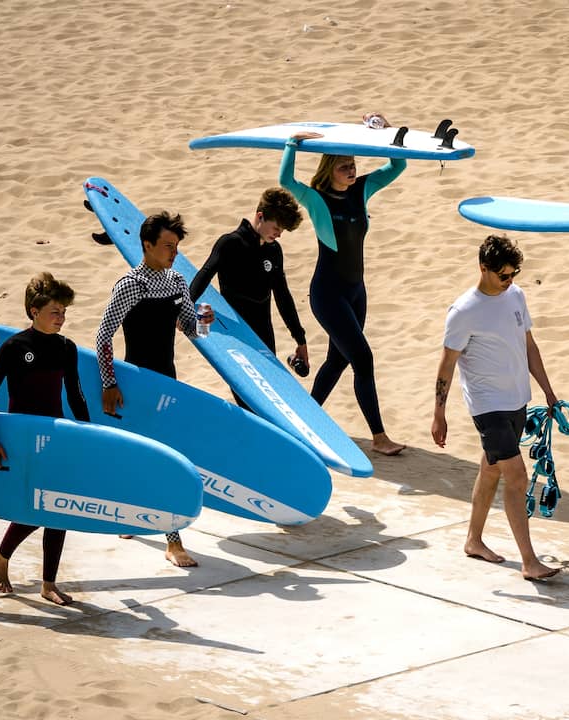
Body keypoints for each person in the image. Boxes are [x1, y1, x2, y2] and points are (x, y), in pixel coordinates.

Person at [431, 234, 564, 581]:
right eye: (503, 275)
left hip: (517, 400)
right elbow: (447, 365)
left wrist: (548, 391)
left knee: (491, 469)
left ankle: (473, 540)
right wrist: (439, 413)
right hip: (487, 407)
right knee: (517, 478)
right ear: (483, 268)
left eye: (514, 274)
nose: (510, 281)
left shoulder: (516, 296)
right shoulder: (464, 311)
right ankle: (529, 562)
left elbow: (529, 347)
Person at [278, 112, 406, 456]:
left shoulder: (361, 189)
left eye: (352, 164)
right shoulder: (317, 199)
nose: (351, 170)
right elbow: (286, 181)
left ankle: (304, 420)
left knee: (338, 360)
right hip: (328, 294)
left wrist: (387, 135)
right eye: (343, 166)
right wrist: (292, 144)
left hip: (355, 292)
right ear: (328, 169)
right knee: (362, 358)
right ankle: (379, 437)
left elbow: (397, 167)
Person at [95, 210, 213, 567]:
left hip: (167, 381)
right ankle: (172, 541)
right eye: (167, 245)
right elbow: (103, 336)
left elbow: (191, 330)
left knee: (164, 456)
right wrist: (109, 383)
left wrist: (205, 322)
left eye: (176, 246)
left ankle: (139, 520)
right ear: (147, 245)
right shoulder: (130, 285)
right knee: (148, 455)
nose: (173, 252)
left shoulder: (177, 281)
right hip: (137, 383)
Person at [0, 272, 90, 605]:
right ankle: (1, 554)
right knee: (38, 506)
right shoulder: (15, 347)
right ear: (34, 311)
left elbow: (76, 396)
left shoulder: (66, 348)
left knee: (58, 506)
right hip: (23, 438)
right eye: (55, 312)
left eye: (64, 312)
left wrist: (89, 436)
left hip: (55, 436)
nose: (62, 318)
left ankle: (48, 583)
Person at [189, 187, 309, 408]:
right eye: (276, 228)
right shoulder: (230, 243)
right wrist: (184, 308)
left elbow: (283, 296)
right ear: (260, 216)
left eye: (282, 230)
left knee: (270, 398)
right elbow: (204, 274)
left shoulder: (274, 251)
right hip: (234, 335)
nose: (279, 234)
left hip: (263, 335)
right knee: (248, 401)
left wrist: (299, 339)